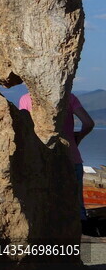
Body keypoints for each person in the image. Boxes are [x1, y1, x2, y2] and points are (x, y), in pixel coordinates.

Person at [19, 91, 95, 219]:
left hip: (43, 158)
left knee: (47, 206)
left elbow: (24, 127)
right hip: (72, 157)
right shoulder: (68, 97)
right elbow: (88, 123)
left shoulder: (26, 99)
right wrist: (78, 138)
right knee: (76, 205)